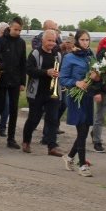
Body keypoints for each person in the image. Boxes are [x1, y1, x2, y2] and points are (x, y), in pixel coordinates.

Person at [60, 29, 102, 177]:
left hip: (87, 97)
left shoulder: (91, 56)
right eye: (82, 40)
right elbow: (63, 79)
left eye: (87, 40)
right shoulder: (69, 57)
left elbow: (96, 76)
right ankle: (82, 165)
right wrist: (76, 82)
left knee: (84, 131)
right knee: (82, 130)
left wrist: (96, 77)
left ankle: (69, 156)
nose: (85, 42)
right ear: (77, 41)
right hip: (75, 97)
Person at [22, 29, 64, 157]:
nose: (52, 43)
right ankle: (26, 141)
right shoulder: (35, 53)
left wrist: (59, 74)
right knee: (34, 119)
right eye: (49, 40)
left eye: (53, 41)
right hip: (37, 93)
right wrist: (46, 72)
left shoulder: (58, 55)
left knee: (53, 119)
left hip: (52, 92)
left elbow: (61, 70)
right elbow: (29, 70)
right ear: (43, 40)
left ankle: (52, 146)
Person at [0, 17, 27, 149]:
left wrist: (22, 82)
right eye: (15, 29)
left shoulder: (21, 43)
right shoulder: (0, 41)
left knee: (14, 110)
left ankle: (11, 138)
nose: (17, 32)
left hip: (15, 80)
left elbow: (23, 63)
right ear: (10, 27)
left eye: (20, 30)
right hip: (2, 79)